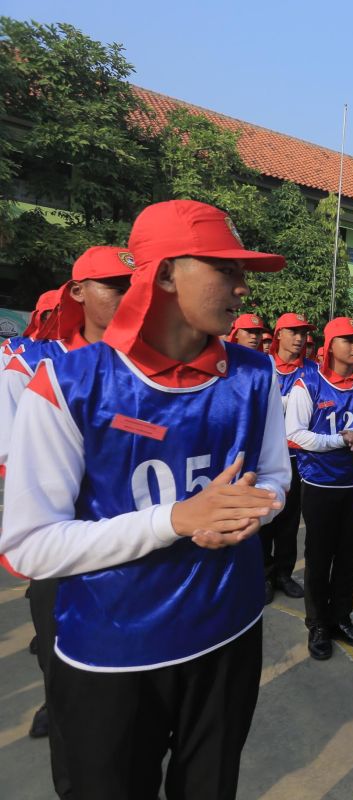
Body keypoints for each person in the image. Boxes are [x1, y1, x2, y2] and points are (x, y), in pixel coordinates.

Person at [0, 199, 290, 798]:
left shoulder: (253, 375)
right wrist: (177, 520)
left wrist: (249, 511)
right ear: (162, 273)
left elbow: (273, 476)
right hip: (113, 651)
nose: (241, 285)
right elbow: (29, 547)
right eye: (224, 268)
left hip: (227, 632)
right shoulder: (70, 384)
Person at [0, 247, 133, 752]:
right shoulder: (33, 361)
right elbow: (14, 451)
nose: (127, 296)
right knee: (59, 649)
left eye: (133, 284)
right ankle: (57, 705)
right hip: (63, 536)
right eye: (114, 285)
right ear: (77, 292)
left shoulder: (147, 364)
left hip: (133, 539)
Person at [285, 317, 353, 658]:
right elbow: (295, 434)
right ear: (330, 345)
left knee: (349, 555)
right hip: (320, 483)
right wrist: (340, 440)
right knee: (319, 557)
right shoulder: (308, 384)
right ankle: (317, 623)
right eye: (349, 341)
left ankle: (340, 617)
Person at [260, 312, 315, 603]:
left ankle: (283, 572)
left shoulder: (312, 371)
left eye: (303, 333)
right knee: (265, 518)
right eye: (293, 332)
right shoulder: (263, 367)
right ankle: (265, 574)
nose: (299, 338)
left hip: (298, 457)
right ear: (278, 334)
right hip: (267, 455)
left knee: (290, 520)